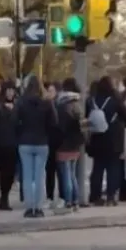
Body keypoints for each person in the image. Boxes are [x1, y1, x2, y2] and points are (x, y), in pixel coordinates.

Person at [15, 76, 57, 218]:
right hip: (41, 142)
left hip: (25, 142)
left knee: (27, 176)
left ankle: (29, 207)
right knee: (39, 176)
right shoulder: (47, 103)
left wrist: (20, 133)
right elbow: (54, 123)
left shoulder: (21, 102)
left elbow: (14, 121)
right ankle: (38, 207)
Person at [85, 76, 126, 206]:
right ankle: (111, 196)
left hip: (97, 138)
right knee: (113, 168)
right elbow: (125, 115)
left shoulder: (92, 100)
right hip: (113, 138)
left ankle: (95, 195)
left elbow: (88, 117)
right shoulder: (115, 99)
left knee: (97, 168)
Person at [54, 78, 85, 210]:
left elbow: (59, 127)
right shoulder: (78, 105)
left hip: (64, 144)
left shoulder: (61, 106)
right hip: (76, 144)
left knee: (66, 174)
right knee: (72, 174)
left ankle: (68, 200)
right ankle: (76, 200)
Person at [0, 81, 18, 211]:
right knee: (3, 172)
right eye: (8, 90)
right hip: (1, 144)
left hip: (13, 144)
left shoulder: (17, 106)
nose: (10, 93)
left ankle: (5, 195)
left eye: (12, 90)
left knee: (11, 173)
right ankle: (3, 198)